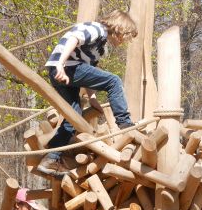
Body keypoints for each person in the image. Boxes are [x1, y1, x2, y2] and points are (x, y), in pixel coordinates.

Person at [38, 10, 138, 176]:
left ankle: (50, 159)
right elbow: (73, 38)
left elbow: (89, 72)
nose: (123, 42)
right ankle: (125, 123)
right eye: (125, 38)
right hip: (66, 67)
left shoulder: (100, 48)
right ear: (119, 29)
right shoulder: (97, 29)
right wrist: (60, 65)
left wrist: (91, 97)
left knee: (74, 116)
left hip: (65, 71)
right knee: (114, 81)